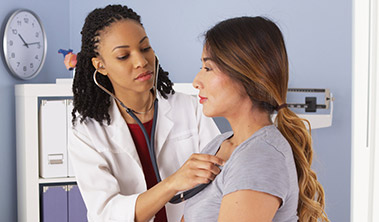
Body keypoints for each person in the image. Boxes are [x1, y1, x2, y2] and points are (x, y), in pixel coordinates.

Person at [69, 4, 223, 222]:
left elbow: (220, 181)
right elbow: (106, 213)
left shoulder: (190, 108)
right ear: (100, 65)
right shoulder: (87, 132)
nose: (141, 62)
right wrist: (172, 183)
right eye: (123, 56)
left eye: (145, 48)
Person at [183, 16, 330, 222]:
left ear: (245, 75)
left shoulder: (260, 155)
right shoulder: (219, 144)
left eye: (208, 68)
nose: (196, 81)